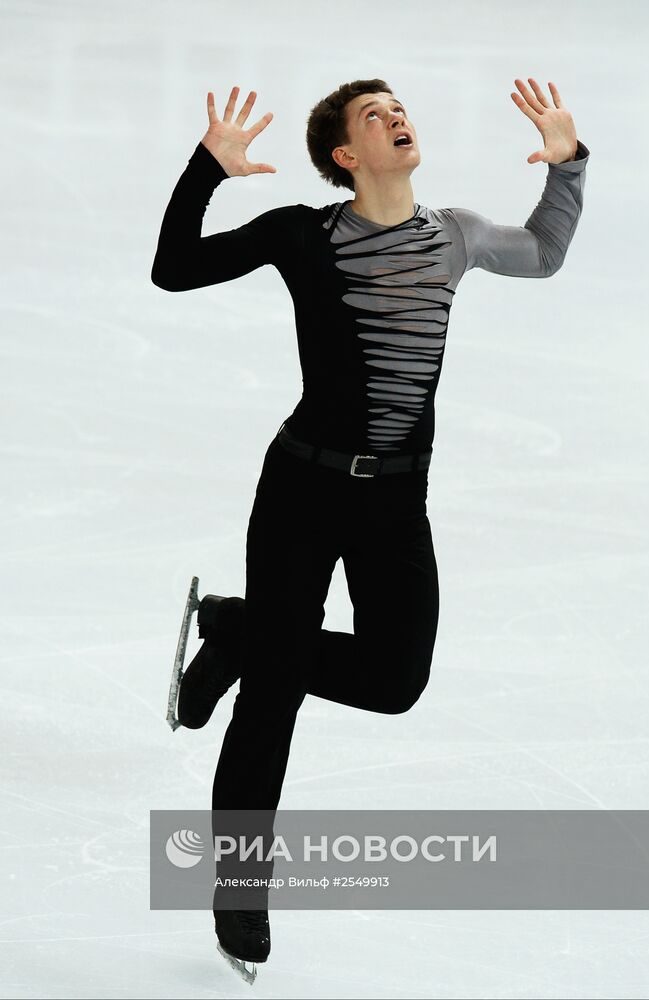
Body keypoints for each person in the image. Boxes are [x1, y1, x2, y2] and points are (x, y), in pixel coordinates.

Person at [151, 76, 590, 979]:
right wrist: (206, 169)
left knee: (394, 681)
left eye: (400, 108)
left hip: (394, 499)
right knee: (272, 701)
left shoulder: (456, 235)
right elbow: (176, 267)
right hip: (302, 491)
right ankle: (240, 891)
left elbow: (545, 253)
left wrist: (568, 166)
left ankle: (238, 633)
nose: (397, 118)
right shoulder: (302, 234)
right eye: (374, 115)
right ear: (347, 155)